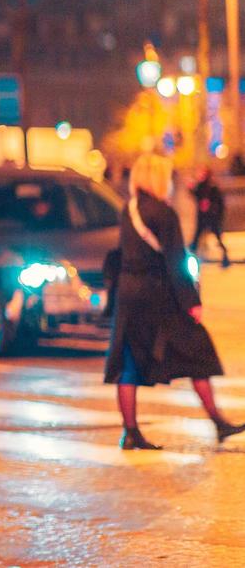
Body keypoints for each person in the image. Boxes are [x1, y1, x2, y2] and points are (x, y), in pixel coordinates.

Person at [105, 153, 245, 450]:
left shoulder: (129, 209)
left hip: (129, 295)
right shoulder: (164, 214)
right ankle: (218, 422)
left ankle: (130, 431)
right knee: (197, 352)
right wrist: (191, 301)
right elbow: (175, 260)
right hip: (159, 296)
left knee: (129, 362)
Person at [191, 167, 231, 268]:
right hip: (203, 218)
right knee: (196, 240)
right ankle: (190, 260)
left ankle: (225, 258)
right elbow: (197, 195)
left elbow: (219, 203)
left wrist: (214, 211)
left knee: (217, 238)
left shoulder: (212, 187)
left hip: (211, 218)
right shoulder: (201, 186)